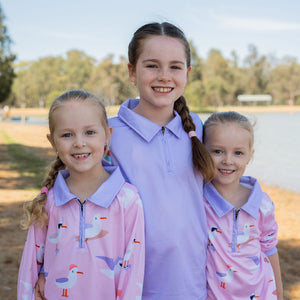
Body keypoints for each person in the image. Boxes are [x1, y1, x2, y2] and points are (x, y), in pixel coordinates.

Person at [35, 22, 215, 300]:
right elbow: (73, 204)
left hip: (192, 284)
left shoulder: (199, 131)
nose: (164, 76)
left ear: (188, 74)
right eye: (152, 65)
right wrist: (48, 268)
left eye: (175, 67)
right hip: (126, 286)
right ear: (132, 71)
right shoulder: (109, 135)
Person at [18, 90, 145, 300]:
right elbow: (29, 270)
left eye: (89, 132)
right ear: (53, 143)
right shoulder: (47, 201)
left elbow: (133, 271)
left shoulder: (128, 200)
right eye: (67, 135)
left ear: (108, 135)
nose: (79, 143)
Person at [203, 111, 283, 300]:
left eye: (238, 153)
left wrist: (279, 294)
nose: (228, 161)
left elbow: (269, 248)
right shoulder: (198, 200)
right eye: (217, 151)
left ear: (249, 156)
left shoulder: (262, 203)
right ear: (203, 152)